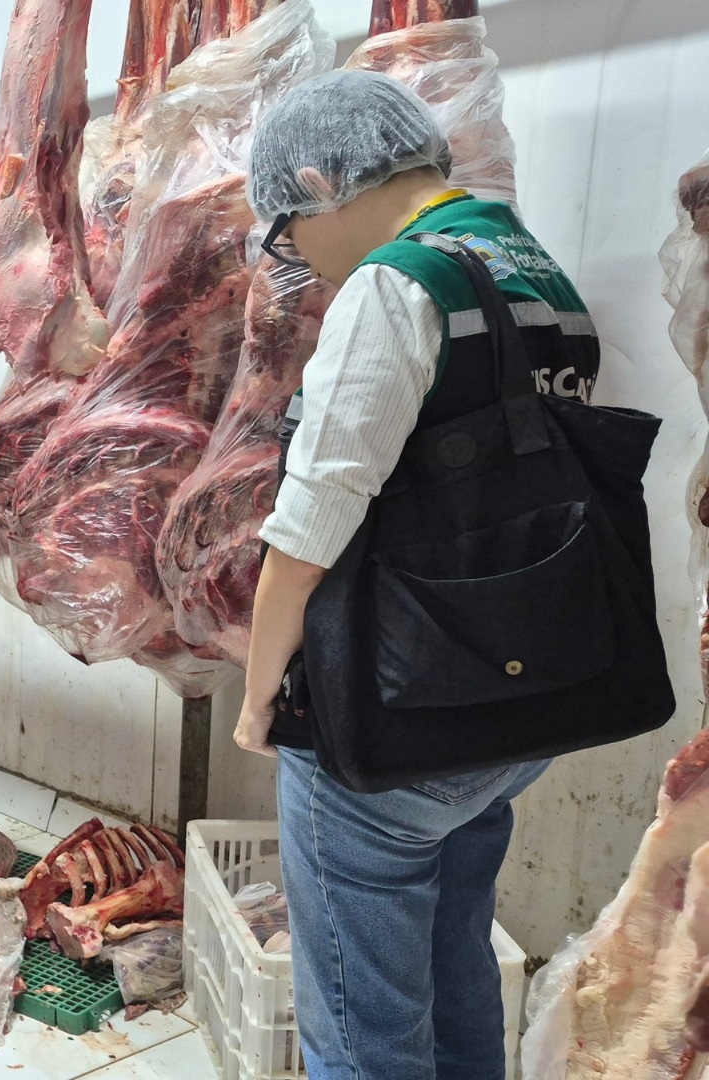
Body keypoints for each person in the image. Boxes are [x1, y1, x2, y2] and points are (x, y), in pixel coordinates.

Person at [234, 71, 600, 1080]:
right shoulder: (532, 267)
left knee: (361, 1033)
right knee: (454, 978)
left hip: (395, 724)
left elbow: (307, 533)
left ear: (318, 180)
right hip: (514, 705)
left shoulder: (399, 285)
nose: (296, 259)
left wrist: (260, 698)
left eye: (286, 232)